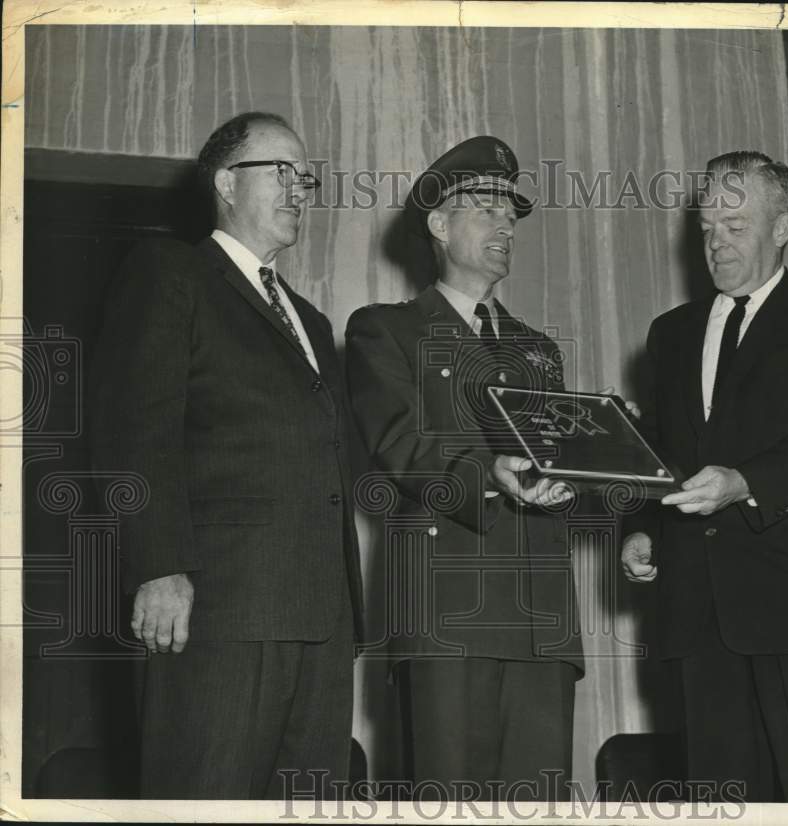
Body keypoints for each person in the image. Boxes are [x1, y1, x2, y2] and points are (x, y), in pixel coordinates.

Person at [90, 111, 363, 799]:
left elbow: (334, 456)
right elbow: (133, 427)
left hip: (322, 624)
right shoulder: (171, 272)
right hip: (218, 614)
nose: (299, 188)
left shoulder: (312, 320)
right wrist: (158, 567)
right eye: (280, 170)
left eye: (305, 176)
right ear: (224, 182)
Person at [621, 150, 788, 802]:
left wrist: (743, 482)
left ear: (783, 229)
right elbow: (660, 449)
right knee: (720, 801)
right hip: (699, 615)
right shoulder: (670, 333)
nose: (716, 242)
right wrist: (643, 524)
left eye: (735, 225)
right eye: (707, 227)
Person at [345, 136, 582, 801]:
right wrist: (487, 472)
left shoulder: (539, 351)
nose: (506, 225)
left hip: (542, 619)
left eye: (512, 214)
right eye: (486, 209)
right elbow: (399, 441)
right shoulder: (385, 330)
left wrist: (613, 461)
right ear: (439, 225)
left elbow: (559, 470)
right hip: (449, 615)